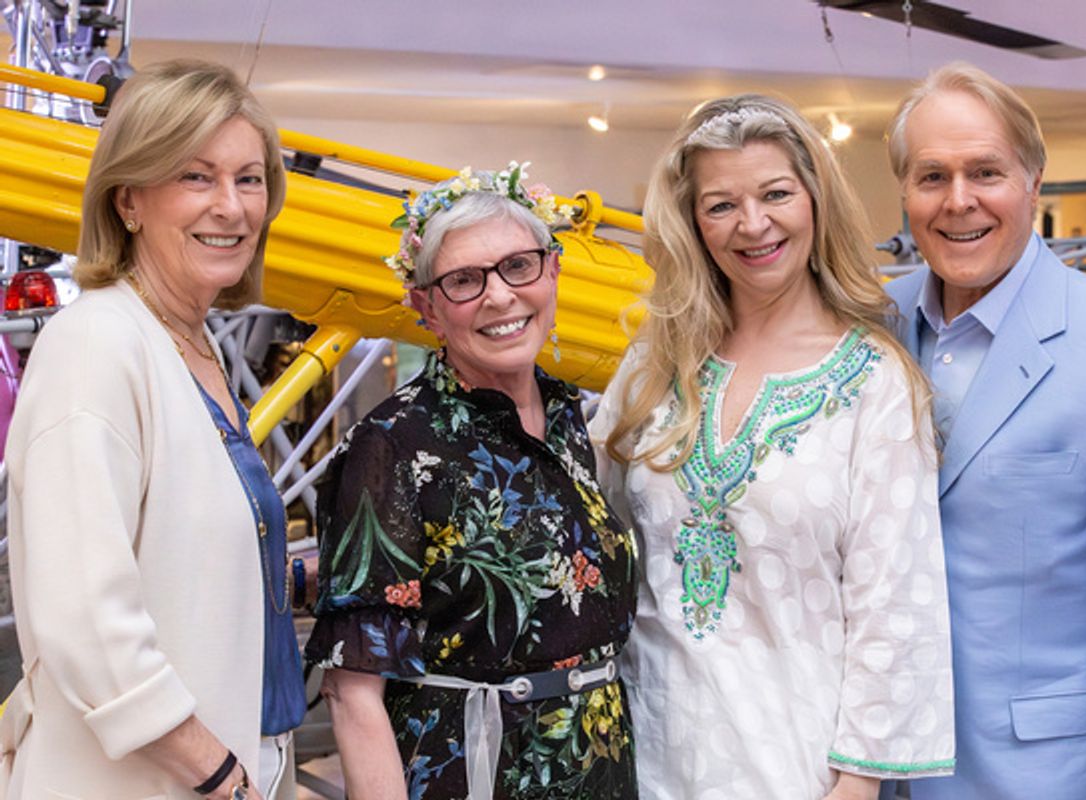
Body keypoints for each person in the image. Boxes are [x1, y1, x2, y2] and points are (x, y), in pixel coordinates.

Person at [589, 94, 954, 800]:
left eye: (776, 194)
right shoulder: (654, 366)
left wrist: (858, 783)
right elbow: (591, 532)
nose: (752, 224)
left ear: (815, 199)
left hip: (797, 767)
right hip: (643, 759)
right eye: (721, 205)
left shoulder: (876, 381)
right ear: (693, 222)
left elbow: (896, 603)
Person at [882, 62, 1086, 799]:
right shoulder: (871, 327)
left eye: (985, 172)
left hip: (1050, 778)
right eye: (932, 177)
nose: (958, 201)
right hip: (880, 772)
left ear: (1033, 180)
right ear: (904, 191)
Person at [0, 60, 306, 799]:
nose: (231, 207)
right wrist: (220, 775)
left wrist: (306, 574)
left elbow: (179, 557)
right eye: (196, 177)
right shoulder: (97, 345)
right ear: (129, 198)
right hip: (163, 778)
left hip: (241, 754)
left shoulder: (191, 346)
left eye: (249, 179)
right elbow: (85, 617)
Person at [305, 163, 639, 800]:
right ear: (425, 307)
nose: (499, 296)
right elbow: (352, 692)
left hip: (600, 772)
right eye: (464, 280)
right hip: (473, 773)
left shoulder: (569, 418)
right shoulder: (393, 445)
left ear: (553, 272)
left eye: (518, 266)